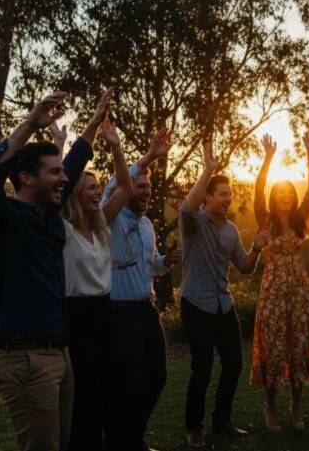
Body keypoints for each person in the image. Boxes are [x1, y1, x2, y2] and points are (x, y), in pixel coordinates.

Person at [0, 90, 109, 451]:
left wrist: (93, 124)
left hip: (58, 354)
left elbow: (76, 162)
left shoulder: (48, 214)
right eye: (54, 172)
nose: (65, 179)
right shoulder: (2, 217)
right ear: (26, 179)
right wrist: (31, 124)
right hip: (24, 357)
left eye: (63, 172)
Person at [179, 141, 269, 448]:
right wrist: (208, 169)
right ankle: (193, 427)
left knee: (234, 364)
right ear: (207, 196)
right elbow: (185, 208)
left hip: (222, 304)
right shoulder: (193, 222)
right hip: (196, 303)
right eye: (222, 194)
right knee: (202, 368)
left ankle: (222, 420)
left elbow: (244, 267)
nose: (228, 199)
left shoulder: (231, 230)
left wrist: (256, 248)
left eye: (230, 195)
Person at [53, 109, 133, 451]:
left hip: (105, 313)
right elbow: (55, 186)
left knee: (110, 392)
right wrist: (60, 147)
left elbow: (126, 187)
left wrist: (115, 146)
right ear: (74, 194)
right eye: (89, 188)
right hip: (77, 318)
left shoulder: (101, 225)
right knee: (83, 396)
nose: (96, 193)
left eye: (98, 187)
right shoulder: (64, 230)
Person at [101, 126, 181, 451]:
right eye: (139, 186)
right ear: (125, 188)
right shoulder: (111, 217)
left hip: (147, 311)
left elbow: (152, 267)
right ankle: (127, 441)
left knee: (157, 377)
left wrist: (167, 261)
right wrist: (149, 156)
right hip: (119, 315)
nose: (146, 191)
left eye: (149, 187)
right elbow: (113, 187)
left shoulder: (147, 225)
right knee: (131, 383)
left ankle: (128, 437)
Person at [250, 133, 309, 432]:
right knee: (275, 346)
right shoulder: (264, 219)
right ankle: (270, 408)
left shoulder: (299, 218)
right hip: (272, 292)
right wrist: (268, 158)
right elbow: (257, 188)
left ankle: (295, 408)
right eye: (280, 192)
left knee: (299, 346)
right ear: (274, 196)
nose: (285, 196)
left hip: (299, 291)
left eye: (289, 192)